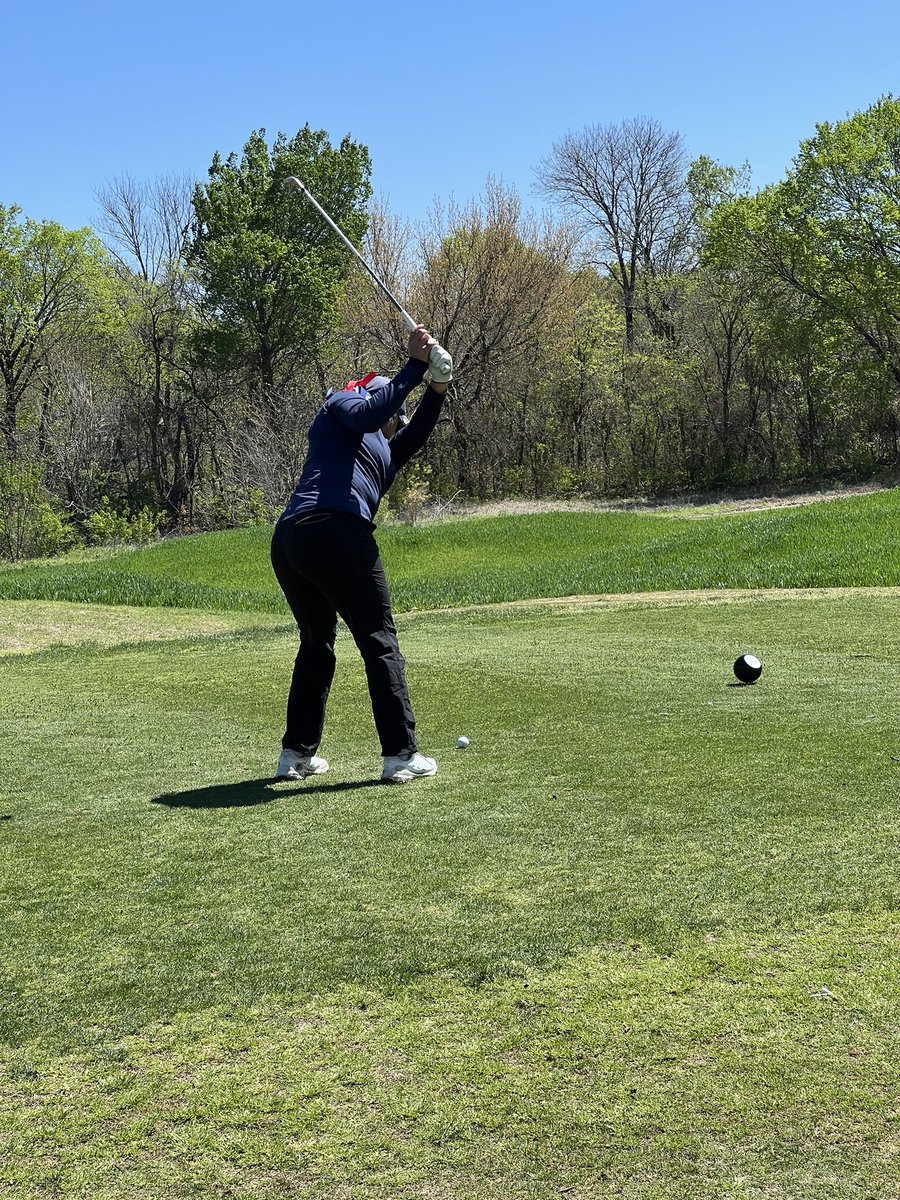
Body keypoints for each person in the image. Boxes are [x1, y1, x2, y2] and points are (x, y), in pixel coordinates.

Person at [270, 325, 452, 784]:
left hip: (294, 542)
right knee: (379, 640)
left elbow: (413, 437)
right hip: (333, 530)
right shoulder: (344, 403)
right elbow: (376, 409)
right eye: (397, 411)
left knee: (317, 645)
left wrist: (438, 385)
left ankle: (295, 755)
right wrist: (413, 365)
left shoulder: (380, 451)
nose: (399, 419)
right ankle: (400, 755)